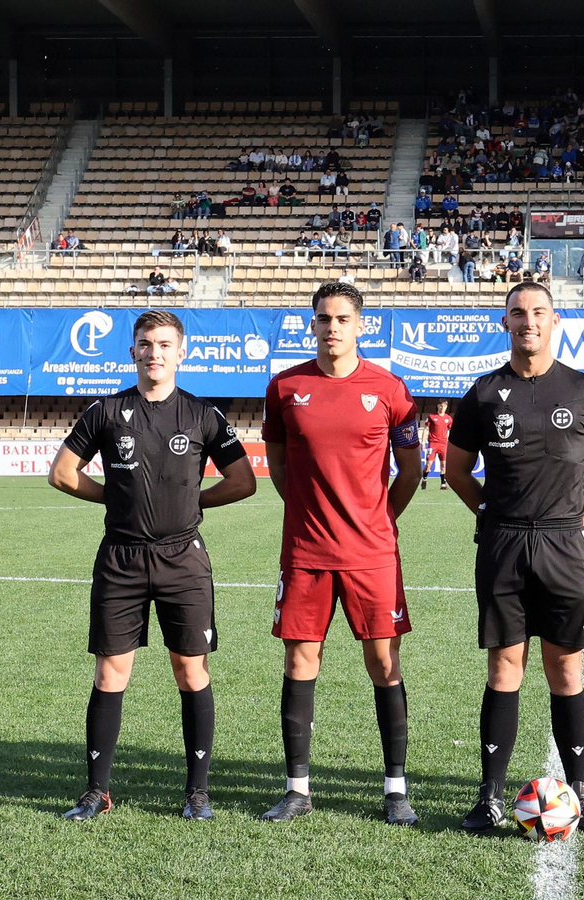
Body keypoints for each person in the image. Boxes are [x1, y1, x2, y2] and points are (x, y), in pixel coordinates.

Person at [49, 310, 256, 822]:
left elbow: (243, 480)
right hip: (120, 559)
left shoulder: (203, 414)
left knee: (190, 671)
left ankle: (197, 793)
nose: (154, 352)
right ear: (132, 351)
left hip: (183, 559)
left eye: (165, 344)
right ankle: (97, 791)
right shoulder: (106, 411)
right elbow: (61, 473)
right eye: (145, 343)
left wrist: (193, 504)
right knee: (109, 673)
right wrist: (114, 501)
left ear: (181, 353)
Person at [445, 282, 584, 836]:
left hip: (563, 547)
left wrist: (579, 519)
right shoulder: (482, 393)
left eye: (539, 312)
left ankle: (581, 793)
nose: (529, 321)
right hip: (502, 544)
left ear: (554, 322)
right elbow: (456, 471)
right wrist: (492, 512)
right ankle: (490, 797)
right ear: (505, 322)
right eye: (518, 313)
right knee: (504, 667)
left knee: (566, 668)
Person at [259, 283, 425, 826]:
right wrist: (306, 513)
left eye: (343, 318)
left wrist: (379, 520)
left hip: (371, 552)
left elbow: (411, 470)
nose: (332, 327)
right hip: (306, 551)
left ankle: (396, 789)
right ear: (312, 323)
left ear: (361, 325)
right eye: (323, 318)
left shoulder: (390, 389)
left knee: (383, 663)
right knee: (300, 661)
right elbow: (279, 465)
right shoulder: (285, 387)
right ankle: (297, 789)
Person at [421, 399, 453, 490]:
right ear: (437, 406)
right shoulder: (431, 417)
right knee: (429, 464)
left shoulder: (448, 419)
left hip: (443, 444)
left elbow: (452, 431)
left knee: (444, 465)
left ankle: (443, 484)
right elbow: (426, 429)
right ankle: (424, 479)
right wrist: (423, 443)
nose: (442, 408)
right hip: (433, 443)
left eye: (444, 406)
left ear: (446, 407)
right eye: (441, 406)